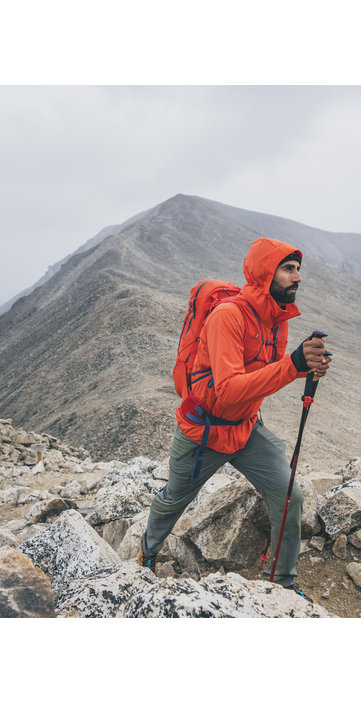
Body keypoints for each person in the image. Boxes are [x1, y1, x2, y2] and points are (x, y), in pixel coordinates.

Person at [138, 236, 331, 602]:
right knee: (173, 500)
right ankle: (147, 553)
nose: (298, 277)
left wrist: (304, 367)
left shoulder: (277, 320)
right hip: (204, 431)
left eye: (298, 269)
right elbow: (227, 390)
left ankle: (283, 583)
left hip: (245, 427)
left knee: (289, 495)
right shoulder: (228, 316)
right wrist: (293, 365)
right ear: (265, 273)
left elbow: (265, 373)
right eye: (288, 269)